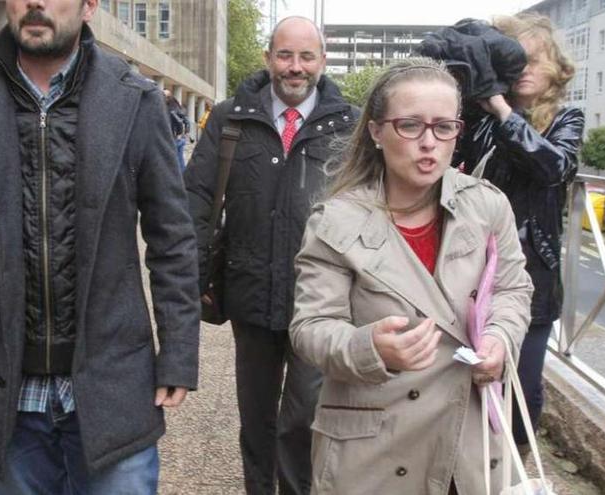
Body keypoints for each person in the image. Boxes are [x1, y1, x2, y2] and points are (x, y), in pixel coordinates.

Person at [0, 1, 201, 493]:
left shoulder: (137, 102)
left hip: (113, 387)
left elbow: (173, 238)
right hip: (5, 399)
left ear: (89, 6)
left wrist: (180, 349)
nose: (36, 2)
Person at [289, 57, 534, 494]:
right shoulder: (336, 221)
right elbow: (310, 328)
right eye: (410, 126)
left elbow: (513, 288)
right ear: (377, 131)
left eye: (444, 127)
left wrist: (500, 337)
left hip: (469, 440)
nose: (429, 143)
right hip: (375, 446)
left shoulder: (488, 206)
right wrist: (370, 348)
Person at [185, 15, 358, 495]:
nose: (295, 67)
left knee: (302, 416)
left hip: (318, 300)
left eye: (306, 56)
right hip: (250, 290)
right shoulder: (229, 117)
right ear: (268, 58)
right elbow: (196, 200)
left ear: (322, 61)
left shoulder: (351, 123)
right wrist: (194, 277)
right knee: (256, 417)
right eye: (285, 55)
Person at [457, 13, 583, 455]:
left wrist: (502, 109)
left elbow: (553, 166)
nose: (525, 69)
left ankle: (511, 467)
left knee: (522, 391)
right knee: (465, 378)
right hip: (472, 268)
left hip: (533, 276)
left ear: (557, 68)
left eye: (536, 59)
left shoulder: (566, 118)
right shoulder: (481, 116)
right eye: (517, 60)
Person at [164, 89, 190, 171]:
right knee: (179, 160)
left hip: (174, 138)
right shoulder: (176, 108)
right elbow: (186, 121)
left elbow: (180, 122)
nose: (163, 98)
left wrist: (179, 134)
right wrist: (185, 133)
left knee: (176, 161)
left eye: (165, 96)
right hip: (177, 138)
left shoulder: (171, 109)